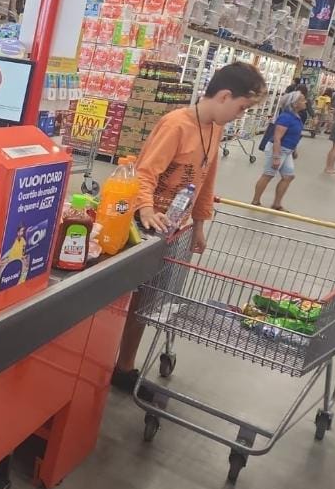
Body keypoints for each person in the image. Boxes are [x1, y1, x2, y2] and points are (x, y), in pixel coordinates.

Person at [112, 62, 267, 393]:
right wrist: (146, 208)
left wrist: (199, 225)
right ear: (224, 96)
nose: (240, 116)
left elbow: (205, 180)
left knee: (151, 299)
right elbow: (145, 173)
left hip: (174, 228)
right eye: (241, 108)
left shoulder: (215, 128)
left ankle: (123, 365)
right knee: (134, 299)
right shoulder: (176, 125)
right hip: (144, 228)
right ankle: (122, 366)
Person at [253, 91, 305, 210]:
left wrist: (294, 150)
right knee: (268, 175)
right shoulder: (285, 117)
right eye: (302, 100)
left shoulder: (296, 117)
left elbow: (295, 135)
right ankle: (255, 201)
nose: (305, 101)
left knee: (288, 176)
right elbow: (277, 138)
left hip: (287, 151)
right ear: (295, 103)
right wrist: (276, 157)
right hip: (278, 149)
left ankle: (277, 204)